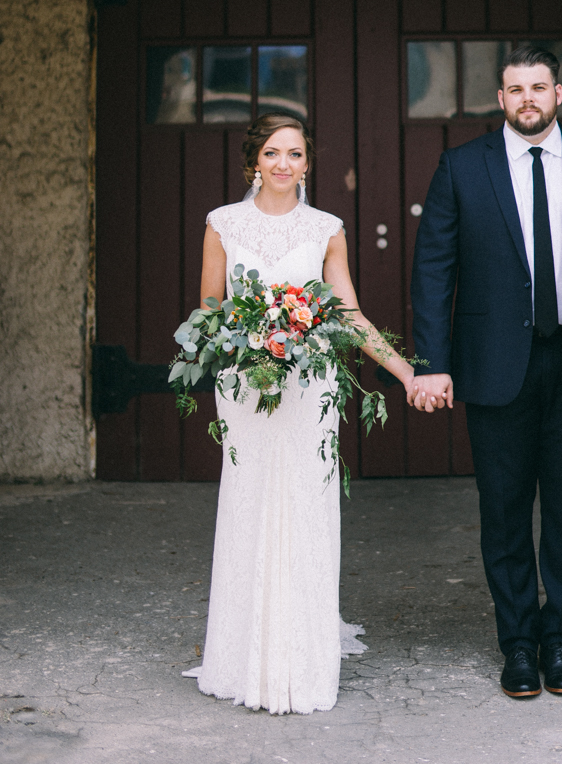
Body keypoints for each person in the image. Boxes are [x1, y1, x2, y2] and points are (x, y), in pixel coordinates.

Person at [409, 46, 562, 700]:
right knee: (504, 511)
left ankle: (560, 641)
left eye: (538, 87)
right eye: (515, 88)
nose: (527, 98)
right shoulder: (463, 168)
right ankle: (518, 644)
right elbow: (434, 274)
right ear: (499, 99)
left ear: (558, 93)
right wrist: (432, 364)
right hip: (496, 368)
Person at [189, 114, 417, 715]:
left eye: (295, 153)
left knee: (305, 505)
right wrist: (246, 334)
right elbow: (209, 310)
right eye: (272, 153)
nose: (284, 163)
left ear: (308, 164)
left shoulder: (327, 229)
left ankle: (301, 659)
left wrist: (404, 370)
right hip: (245, 385)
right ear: (253, 163)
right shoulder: (222, 224)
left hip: (309, 386)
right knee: (249, 502)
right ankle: (244, 657)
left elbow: (349, 313)